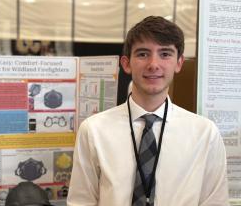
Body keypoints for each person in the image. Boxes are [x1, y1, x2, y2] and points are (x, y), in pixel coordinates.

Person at [67, 16, 229, 206]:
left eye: (165, 54)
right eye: (143, 54)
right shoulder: (94, 130)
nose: (153, 64)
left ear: (179, 63)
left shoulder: (205, 133)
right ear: (126, 63)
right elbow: (81, 202)